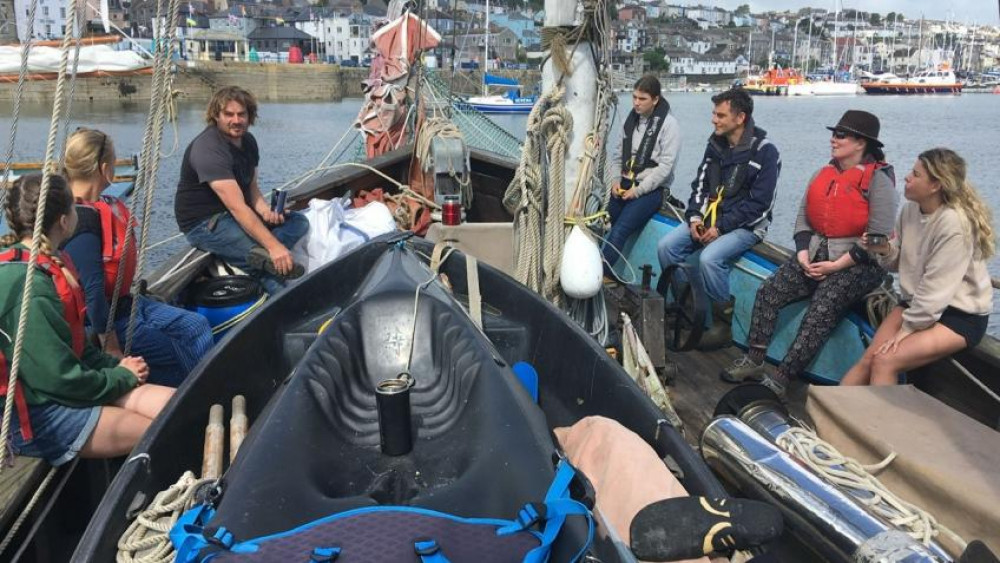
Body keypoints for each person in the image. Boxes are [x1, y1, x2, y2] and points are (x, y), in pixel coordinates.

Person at [721, 110, 899, 396]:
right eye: (834, 133)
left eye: (841, 135)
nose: (833, 139)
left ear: (861, 142)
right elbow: (803, 218)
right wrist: (803, 253)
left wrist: (835, 266)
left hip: (859, 263)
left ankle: (782, 376)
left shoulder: (879, 181)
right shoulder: (823, 173)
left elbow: (877, 238)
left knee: (822, 308)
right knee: (769, 291)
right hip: (816, 253)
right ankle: (754, 359)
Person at [0, 174, 173, 465]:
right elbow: (59, 379)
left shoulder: (49, 263)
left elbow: (75, 347)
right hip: (34, 418)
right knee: (162, 431)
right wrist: (119, 378)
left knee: (175, 406)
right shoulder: (32, 288)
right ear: (64, 221)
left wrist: (115, 367)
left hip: (58, 392)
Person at [63, 128, 214, 387]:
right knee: (174, 354)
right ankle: (192, 400)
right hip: (108, 322)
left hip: (128, 304)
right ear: (104, 168)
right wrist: (111, 348)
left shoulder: (103, 204)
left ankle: (205, 388)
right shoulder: (80, 220)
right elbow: (93, 292)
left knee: (196, 325)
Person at [841, 148, 994, 386]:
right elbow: (897, 262)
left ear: (935, 186)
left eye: (915, 174)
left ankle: (879, 424)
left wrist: (907, 329)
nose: (906, 178)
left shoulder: (953, 224)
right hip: (918, 303)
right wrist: (883, 249)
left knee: (885, 361)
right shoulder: (910, 210)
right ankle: (827, 415)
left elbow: (937, 289)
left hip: (959, 315)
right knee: (869, 358)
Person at [657, 88, 781, 349]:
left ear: (740, 118)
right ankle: (689, 308)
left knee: (710, 258)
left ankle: (721, 328)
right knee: (667, 247)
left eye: (720, 115)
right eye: (714, 114)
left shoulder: (766, 152)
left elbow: (760, 205)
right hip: (712, 218)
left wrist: (721, 228)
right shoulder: (715, 144)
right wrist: (694, 218)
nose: (714, 120)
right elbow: (701, 186)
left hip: (746, 226)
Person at [175, 86, 309, 295]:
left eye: (241, 114)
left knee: (299, 221)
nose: (236, 120)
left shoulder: (248, 142)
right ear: (216, 116)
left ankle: (250, 257)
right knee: (268, 269)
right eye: (229, 114)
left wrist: (266, 213)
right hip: (205, 222)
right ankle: (281, 287)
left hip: (235, 213)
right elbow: (237, 208)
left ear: (250, 115)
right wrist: (274, 247)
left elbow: (252, 188)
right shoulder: (208, 148)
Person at [604, 74, 681, 273]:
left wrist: (637, 192)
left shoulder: (669, 125)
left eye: (642, 99)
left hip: (651, 190)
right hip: (625, 182)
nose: (636, 103)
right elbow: (617, 156)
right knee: (604, 222)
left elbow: (665, 168)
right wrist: (614, 181)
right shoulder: (630, 122)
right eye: (634, 98)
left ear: (655, 100)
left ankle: (599, 275)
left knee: (620, 229)